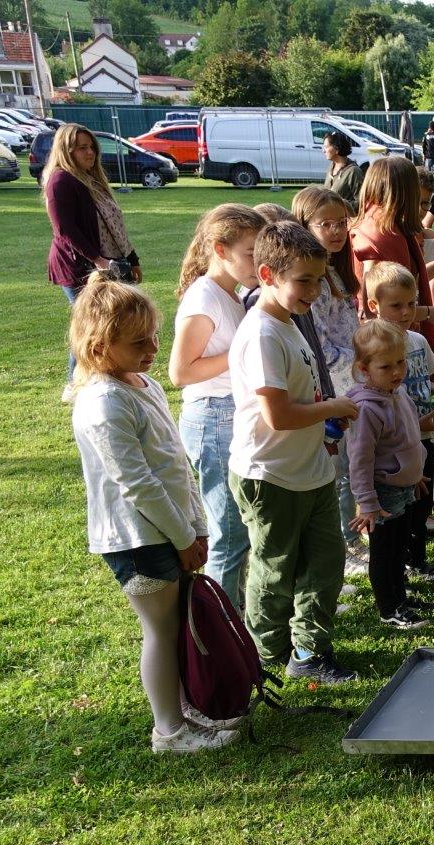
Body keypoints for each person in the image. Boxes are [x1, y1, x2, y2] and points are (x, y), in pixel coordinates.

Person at [70, 272, 239, 754]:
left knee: (178, 626)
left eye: (154, 337)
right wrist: (182, 537)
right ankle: (169, 730)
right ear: (100, 347)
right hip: (136, 536)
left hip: (173, 529)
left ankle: (187, 711)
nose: (152, 349)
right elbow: (138, 483)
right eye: (137, 342)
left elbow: (174, 464)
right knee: (161, 633)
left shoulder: (141, 383)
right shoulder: (104, 403)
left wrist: (195, 527)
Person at [227, 221, 360, 685]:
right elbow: (278, 416)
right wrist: (334, 406)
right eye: (303, 280)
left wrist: (326, 422)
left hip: (311, 469)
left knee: (325, 563)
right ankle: (265, 654)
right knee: (276, 571)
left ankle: (309, 652)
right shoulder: (263, 333)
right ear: (267, 273)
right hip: (270, 475)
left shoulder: (288, 321)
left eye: (320, 278)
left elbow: (299, 400)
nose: (315, 289)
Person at [169, 203, 266, 609]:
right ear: (220, 250)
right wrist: (242, 353)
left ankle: (237, 616)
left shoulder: (233, 293)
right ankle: (223, 633)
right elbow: (181, 371)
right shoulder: (205, 297)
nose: (257, 263)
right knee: (228, 534)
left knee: (240, 530)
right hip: (213, 417)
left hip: (232, 413)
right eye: (250, 253)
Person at [365, 261, 434, 585]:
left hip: (424, 439)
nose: (405, 312)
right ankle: (398, 565)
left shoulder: (417, 341)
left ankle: (418, 560)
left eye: (411, 304)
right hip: (396, 446)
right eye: (396, 305)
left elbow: (422, 384)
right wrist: (418, 425)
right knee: (399, 511)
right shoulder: (373, 349)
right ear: (374, 306)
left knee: (422, 503)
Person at [349, 157, 434, 382]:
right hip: (390, 346)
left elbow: (400, 280)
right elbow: (374, 304)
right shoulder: (378, 234)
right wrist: (426, 313)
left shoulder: (387, 226)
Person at [44, 123, 142, 399]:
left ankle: (108, 375)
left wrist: (131, 258)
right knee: (91, 325)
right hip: (78, 268)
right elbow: (64, 230)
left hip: (108, 262)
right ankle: (74, 384)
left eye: (92, 148)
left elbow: (115, 224)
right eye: (82, 148)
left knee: (111, 322)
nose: (90, 153)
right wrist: (97, 260)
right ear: (66, 150)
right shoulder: (60, 181)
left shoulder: (92, 179)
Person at [293, 186, 364, 561]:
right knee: (336, 471)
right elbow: (318, 343)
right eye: (326, 224)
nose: (337, 231)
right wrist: (360, 364)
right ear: (304, 225)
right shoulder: (311, 282)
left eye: (342, 223)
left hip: (352, 385)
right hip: (331, 388)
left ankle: (349, 540)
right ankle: (342, 545)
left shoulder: (334, 270)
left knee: (351, 467)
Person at [346, 318, 432, 630]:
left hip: (403, 487)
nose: (397, 372)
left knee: (399, 548)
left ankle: (401, 597)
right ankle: (389, 607)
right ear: (364, 369)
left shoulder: (396, 393)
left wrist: (415, 474)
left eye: (400, 362)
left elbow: (407, 439)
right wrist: (367, 502)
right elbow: (360, 460)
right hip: (382, 494)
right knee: (385, 552)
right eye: (386, 366)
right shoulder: (368, 409)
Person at [322, 130, 363, 213]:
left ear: (337, 148)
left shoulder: (354, 172)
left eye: (326, 147)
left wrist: (340, 205)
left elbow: (362, 202)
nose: (323, 151)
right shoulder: (331, 167)